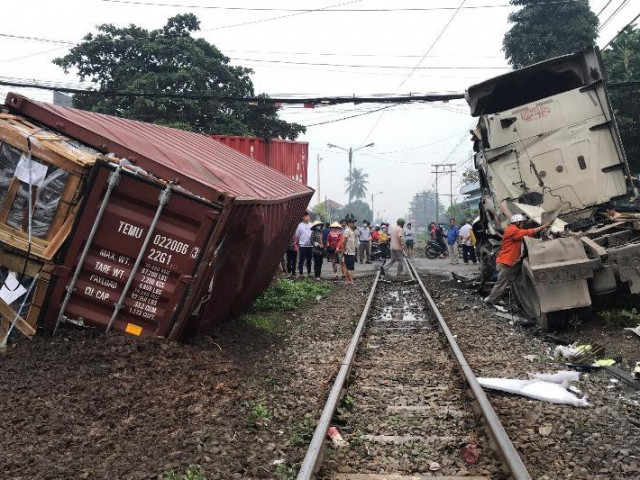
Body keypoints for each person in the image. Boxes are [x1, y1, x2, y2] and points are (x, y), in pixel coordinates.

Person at [484, 214, 550, 305]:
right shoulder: (512, 230)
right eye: (522, 222)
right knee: (501, 283)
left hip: (508, 262)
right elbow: (528, 232)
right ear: (517, 222)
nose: (523, 224)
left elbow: (523, 232)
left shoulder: (512, 229)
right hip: (506, 262)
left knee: (515, 281)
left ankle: (516, 301)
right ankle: (490, 301)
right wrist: (542, 227)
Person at [295, 211, 313, 277]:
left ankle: (309, 273)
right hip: (302, 245)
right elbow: (297, 235)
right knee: (301, 260)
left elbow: (313, 234)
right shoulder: (300, 225)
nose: (308, 217)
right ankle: (301, 273)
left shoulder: (311, 225)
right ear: (303, 217)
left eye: (308, 216)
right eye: (307, 216)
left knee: (309, 260)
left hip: (310, 245)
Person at [341, 217, 358, 285]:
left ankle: (348, 280)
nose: (354, 224)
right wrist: (343, 250)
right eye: (352, 223)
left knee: (349, 267)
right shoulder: (347, 231)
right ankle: (351, 281)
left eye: (354, 222)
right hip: (348, 252)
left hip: (352, 252)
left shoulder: (352, 231)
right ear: (349, 224)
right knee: (349, 267)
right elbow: (344, 241)